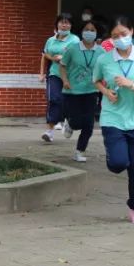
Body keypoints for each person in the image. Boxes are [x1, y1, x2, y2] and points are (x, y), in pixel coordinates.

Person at [93, 16, 134, 224]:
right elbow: (96, 80)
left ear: (132, 32)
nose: (120, 39)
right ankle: (114, 158)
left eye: (123, 34)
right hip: (113, 118)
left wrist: (131, 85)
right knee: (119, 162)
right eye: (115, 36)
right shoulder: (104, 59)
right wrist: (106, 92)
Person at [57, 19, 105, 162]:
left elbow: (105, 69)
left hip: (92, 90)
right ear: (82, 32)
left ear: (97, 33)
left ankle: (80, 151)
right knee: (77, 122)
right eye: (87, 29)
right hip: (73, 91)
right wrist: (65, 80)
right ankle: (70, 123)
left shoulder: (101, 51)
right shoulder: (73, 48)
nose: (89, 32)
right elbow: (63, 65)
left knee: (89, 124)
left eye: (92, 30)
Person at [38, 14, 78, 143]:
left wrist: (65, 58)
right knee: (54, 99)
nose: (64, 25)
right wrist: (44, 69)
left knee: (66, 101)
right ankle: (49, 132)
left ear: (71, 25)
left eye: (67, 23)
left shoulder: (75, 40)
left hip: (69, 76)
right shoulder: (50, 40)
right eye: (62, 22)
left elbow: (78, 57)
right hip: (54, 73)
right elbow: (45, 54)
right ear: (57, 24)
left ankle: (67, 120)